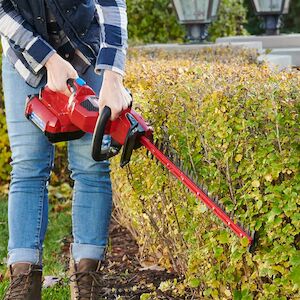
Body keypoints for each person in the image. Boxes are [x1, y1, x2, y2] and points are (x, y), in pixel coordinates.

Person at [0, 0, 131, 299]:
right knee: (28, 167)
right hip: (26, 60)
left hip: (86, 51)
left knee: (91, 165)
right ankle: (23, 284)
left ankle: (87, 283)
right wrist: (49, 59)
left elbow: (112, 4)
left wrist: (112, 77)